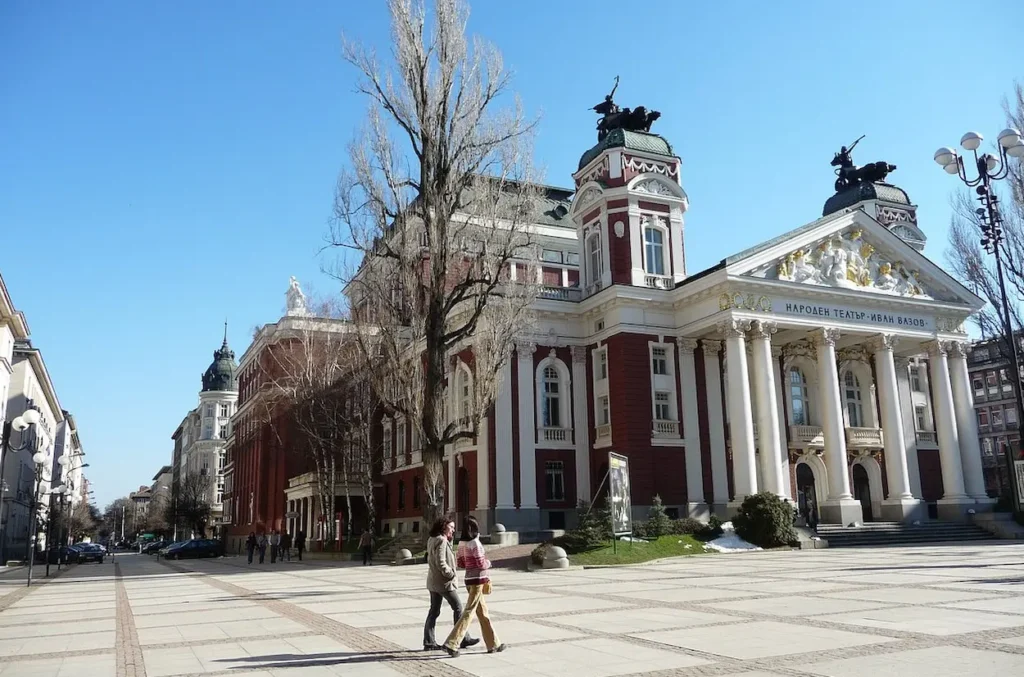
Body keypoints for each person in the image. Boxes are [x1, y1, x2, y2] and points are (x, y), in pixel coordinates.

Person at [442, 516, 505, 658]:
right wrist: (489, 563)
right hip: (478, 580)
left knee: (483, 613)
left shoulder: (462, 543)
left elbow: (461, 563)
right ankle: (452, 643)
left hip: (469, 580)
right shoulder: (475, 543)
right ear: (475, 529)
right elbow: (481, 563)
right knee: (469, 612)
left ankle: (494, 644)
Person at [424, 517, 479, 652]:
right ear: (444, 527)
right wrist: (451, 574)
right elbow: (441, 562)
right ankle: (462, 638)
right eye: (451, 527)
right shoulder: (441, 541)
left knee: (434, 611)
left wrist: (450, 540)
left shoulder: (432, 539)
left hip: (433, 581)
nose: (453, 530)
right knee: (458, 608)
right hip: (444, 583)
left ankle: (429, 642)